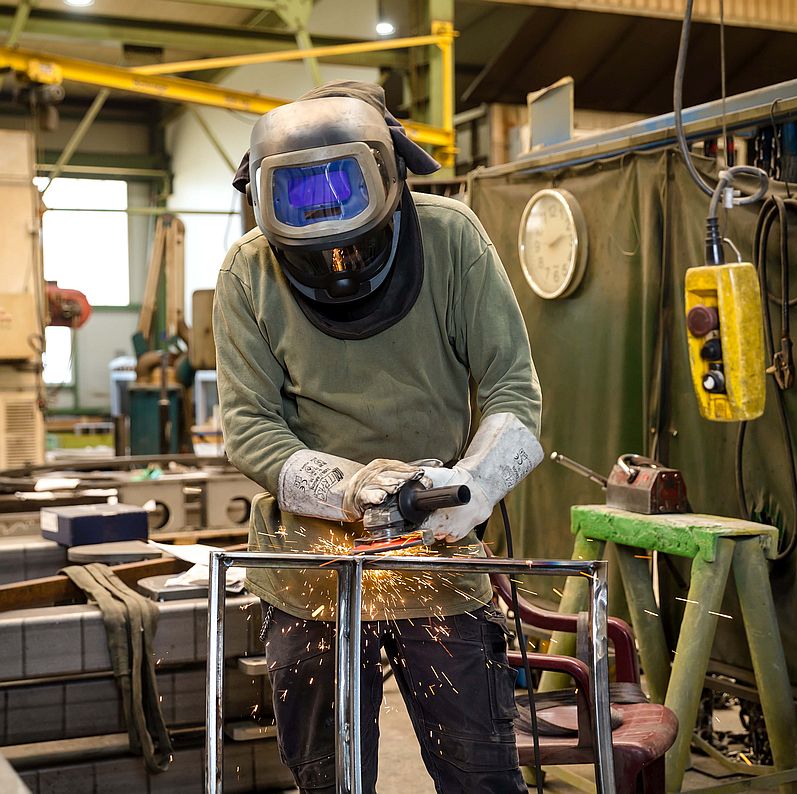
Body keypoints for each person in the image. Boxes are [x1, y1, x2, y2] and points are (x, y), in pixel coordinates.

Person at [213, 80, 543, 794]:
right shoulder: (248, 271)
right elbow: (248, 427)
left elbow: (513, 390)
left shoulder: (452, 237)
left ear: (388, 177)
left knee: (481, 774)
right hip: (312, 569)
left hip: (437, 550)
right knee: (328, 778)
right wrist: (350, 490)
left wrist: (477, 485)